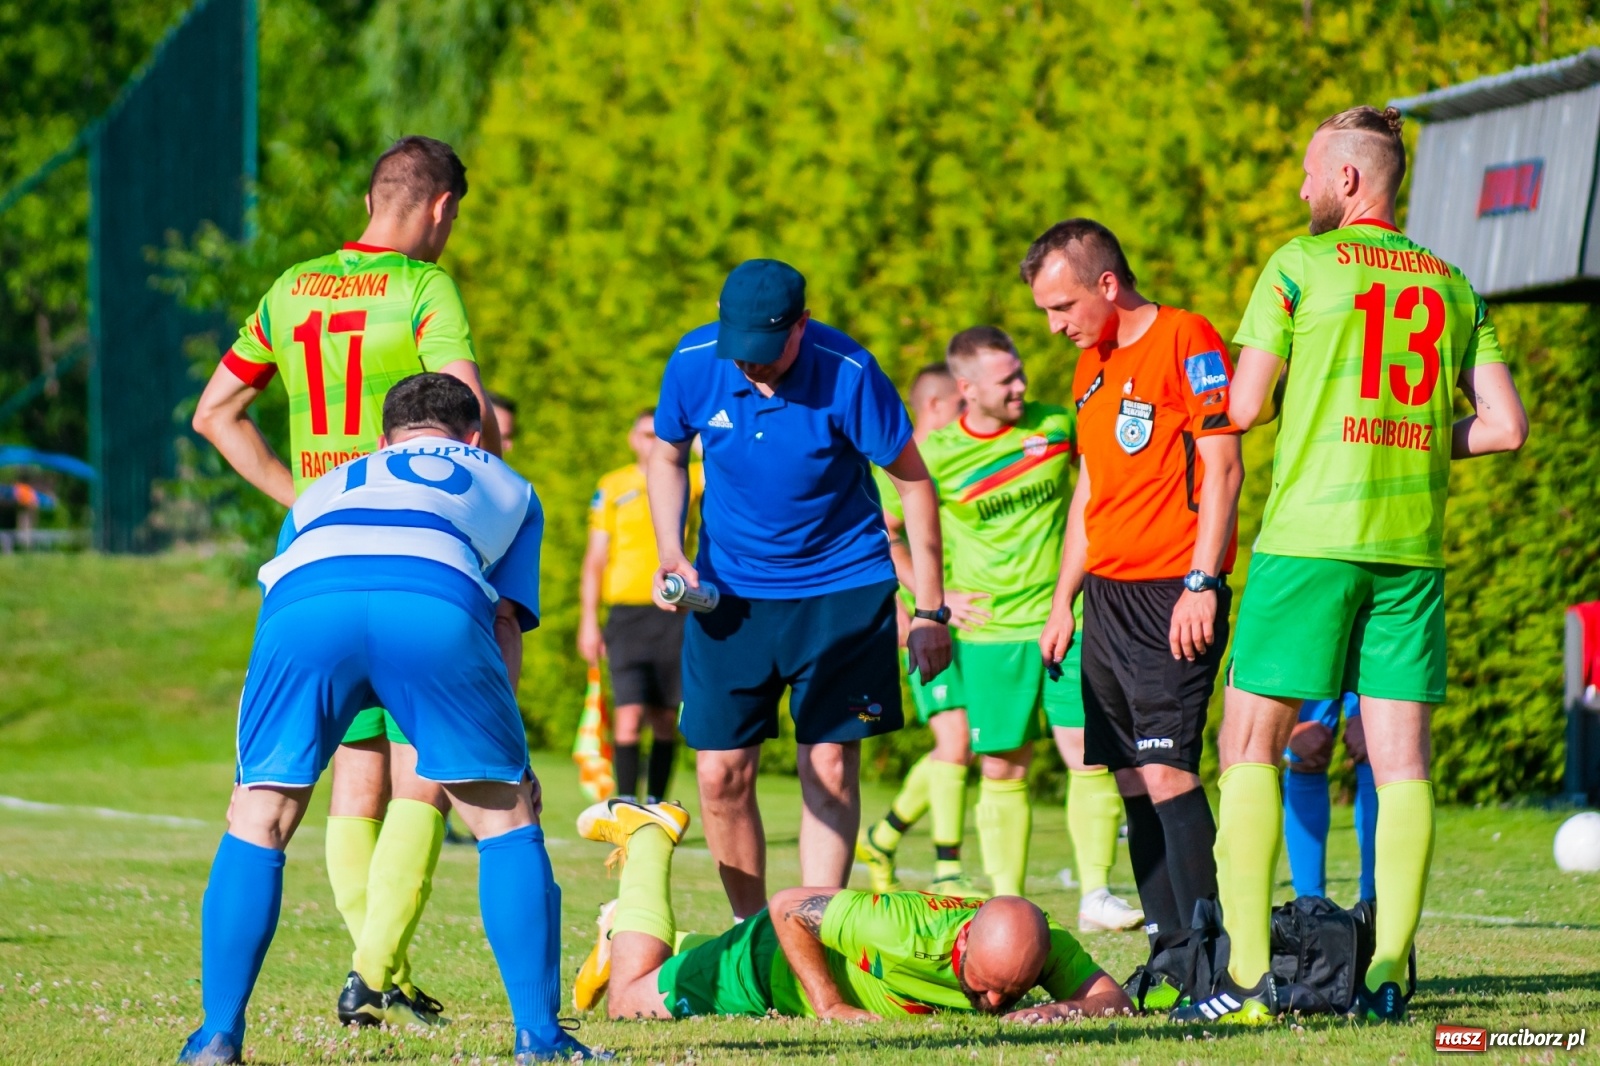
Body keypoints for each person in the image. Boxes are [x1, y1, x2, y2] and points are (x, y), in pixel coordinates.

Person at [1197, 104, 1529, 1025]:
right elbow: (1505, 429)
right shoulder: (1456, 284)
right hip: (1410, 551)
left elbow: (1247, 403)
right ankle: (1385, 978)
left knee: (1247, 747)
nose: (1301, 189)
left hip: (1309, 541)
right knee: (1402, 766)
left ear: (1349, 180)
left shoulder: (1297, 266)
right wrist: (1415, 439)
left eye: (1310, 173)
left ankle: (1250, 985)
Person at [179, 374, 598, 1065]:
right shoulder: (509, 484)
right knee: (503, 820)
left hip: (304, 607)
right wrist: (510, 758)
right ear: (473, 438)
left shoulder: (328, 483)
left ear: (382, 440)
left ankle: (216, 1036)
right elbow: (504, 624)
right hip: (430, 597)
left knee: (258, 817)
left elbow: (284, 586)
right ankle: (539, 1037)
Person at [191, 136, 501, 1026]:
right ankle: (373, 968)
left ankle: (375, 978)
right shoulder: (422, 288)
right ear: (441, 207)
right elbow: (466, 423)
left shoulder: (291, 287)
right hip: (414, 558)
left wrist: (306, 499)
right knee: (424, 771)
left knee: (346, 776)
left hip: (315, 558)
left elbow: (216, 413)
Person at [646, 258, 952, 920]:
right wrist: (670, 548)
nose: (751, 367)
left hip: (842, 588)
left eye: (766, 352)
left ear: (802, 327)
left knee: (831, 768)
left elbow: (914, 482)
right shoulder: (697, 361)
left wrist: (930, 609)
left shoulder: (850, 372)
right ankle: (751, 936)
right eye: (741, 351)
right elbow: (667, 453)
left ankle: (816, 932)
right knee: (720, 773)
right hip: (730, 596)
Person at [1029, 220, 1244, 977]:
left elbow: (1222, 467)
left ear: (1107, 286)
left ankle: (1215, 964)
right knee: (1127, 776)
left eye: (1062, 307)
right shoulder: (1091, 363)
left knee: (1167, 771)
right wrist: (1064, 601)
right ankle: (1169, 956)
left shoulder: (1188, 337)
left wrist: (1203, 581)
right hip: (1107, 601)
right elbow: (1091, 485)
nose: (1056, 326)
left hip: (1171, 591)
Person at [570, 797, 1130, 1022]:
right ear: (960, 943)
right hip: (766, 968)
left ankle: (619, 931)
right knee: (626, 1002)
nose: (993, 1003)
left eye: (1010, 991)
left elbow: (1116, 1002)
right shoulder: (900, 930)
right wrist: (830, 1004)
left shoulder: (1041, 942)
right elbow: (789, 907)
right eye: (982, 985)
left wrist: (1063, 1010)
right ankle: (647, 834)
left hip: (795, 946)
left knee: (660, 961)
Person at [857, 363, 984, 897]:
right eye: (959, 407)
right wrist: (917, 608)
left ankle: (883, 837)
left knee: (965, 746)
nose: (967, 416)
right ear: (934, 407)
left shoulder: (953, 464)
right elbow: (883, 542)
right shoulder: (898, 467)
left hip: (959, 624)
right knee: (953, 743)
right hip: (923, 623)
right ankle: (946, 870)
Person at [580, 409, 705, 804]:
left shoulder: (692, 478)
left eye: (659, 435)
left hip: (674, 610)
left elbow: (717, 454)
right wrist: (588, 621)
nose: (651, 442)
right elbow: (595, 559)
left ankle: (656, 802)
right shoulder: (613, 486)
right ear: (633, 439)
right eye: (645, 435)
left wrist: (690, 440)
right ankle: (627, 802)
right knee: (629, 715)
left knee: (666, 717)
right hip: (626, 615)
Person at [1283, 692, 1377, 902]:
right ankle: (1309, 908)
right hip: (1310, 658)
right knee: (1307, 746)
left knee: (1374, 746)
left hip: (1373, 658)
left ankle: (1375, 908)